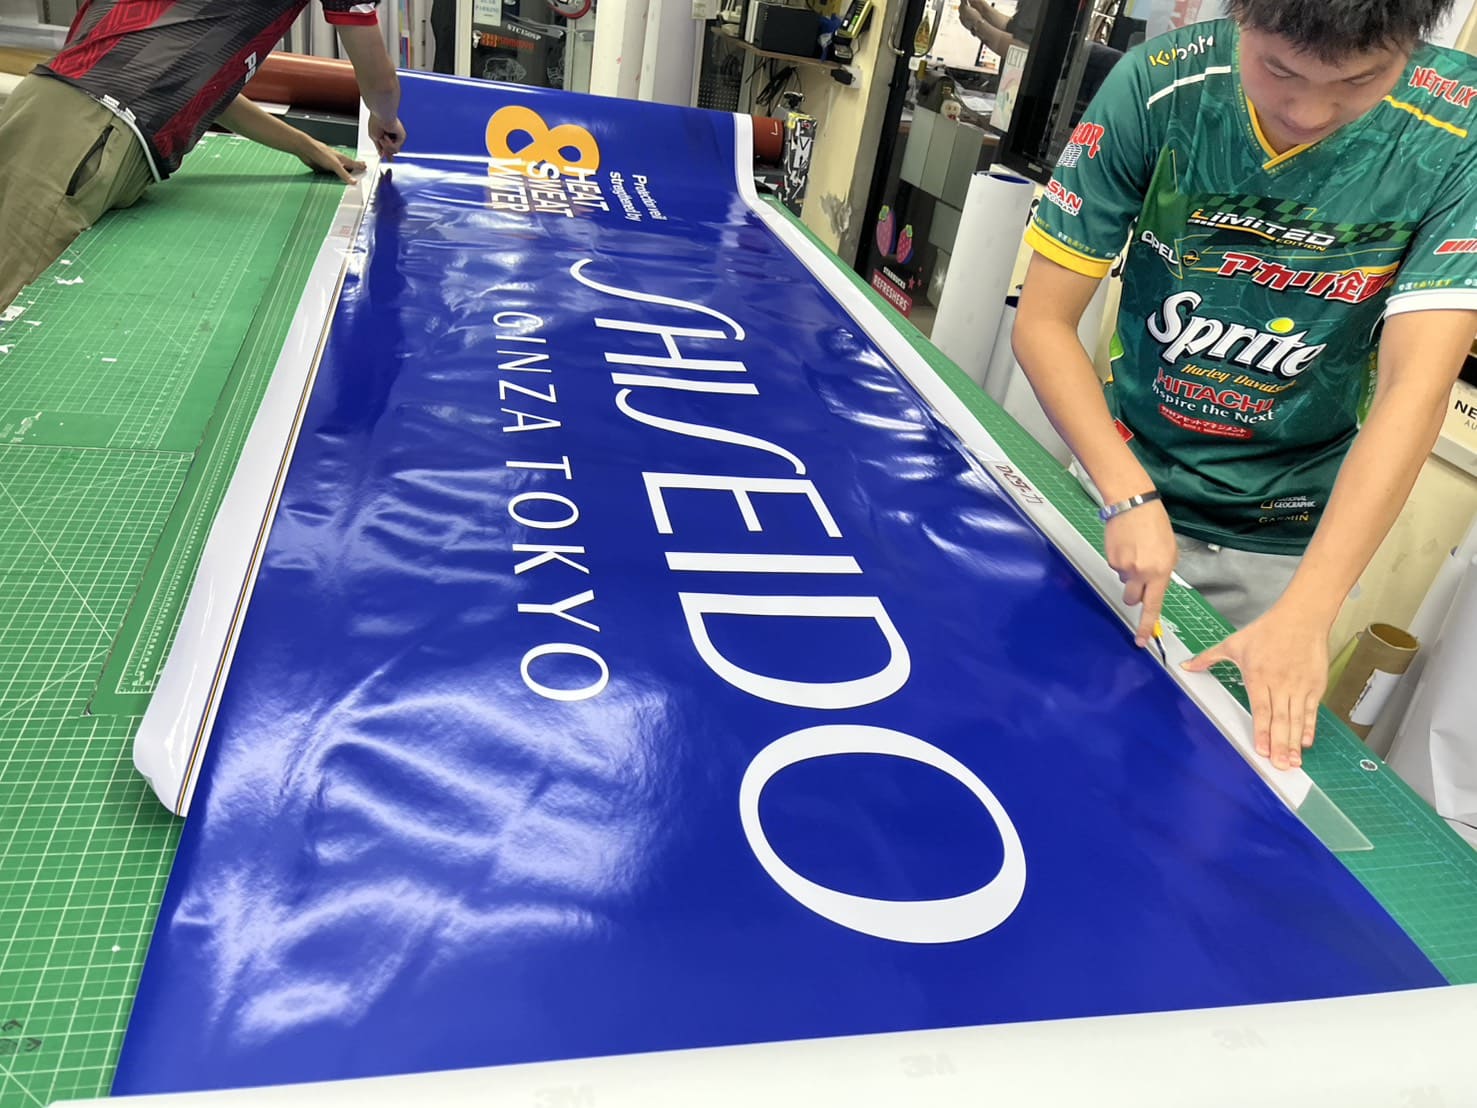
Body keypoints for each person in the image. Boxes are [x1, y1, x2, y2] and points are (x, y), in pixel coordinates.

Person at [1013, 0, 1477, 772]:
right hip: (1118, 477)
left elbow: (1412, 391)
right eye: (1277, 70)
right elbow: (1042, 322)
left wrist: (1309, 611)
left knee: (1197, 781)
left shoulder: (1457, 128)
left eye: (1356, 81)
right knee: (1042, 729)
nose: (1307, 112)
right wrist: (1125, 494)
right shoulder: (1160, 87)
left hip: (1283, 536)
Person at [0, 0, 408, 311]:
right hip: (86, 124)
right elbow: (380, 82)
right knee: (12, 288)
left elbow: (203, 89)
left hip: (61, 109)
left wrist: (304, 145)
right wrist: (385, 118)